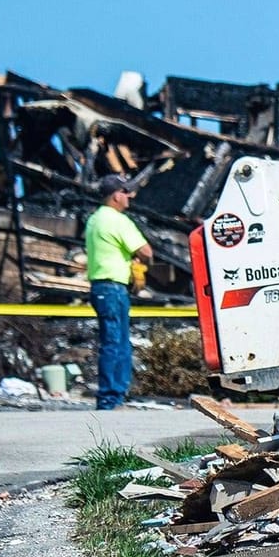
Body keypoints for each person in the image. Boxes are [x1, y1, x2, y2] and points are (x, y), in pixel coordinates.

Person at [84, 174, 153, 410]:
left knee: (113, 340)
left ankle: (113, 395)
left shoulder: (94, 219)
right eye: (126, 192)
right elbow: (146, 251)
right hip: (113, 287)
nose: (130, 196)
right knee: (117, 342)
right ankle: (111, 398)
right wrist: (139, 259)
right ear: (116, 195)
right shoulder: (118, 221)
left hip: (99, 287)